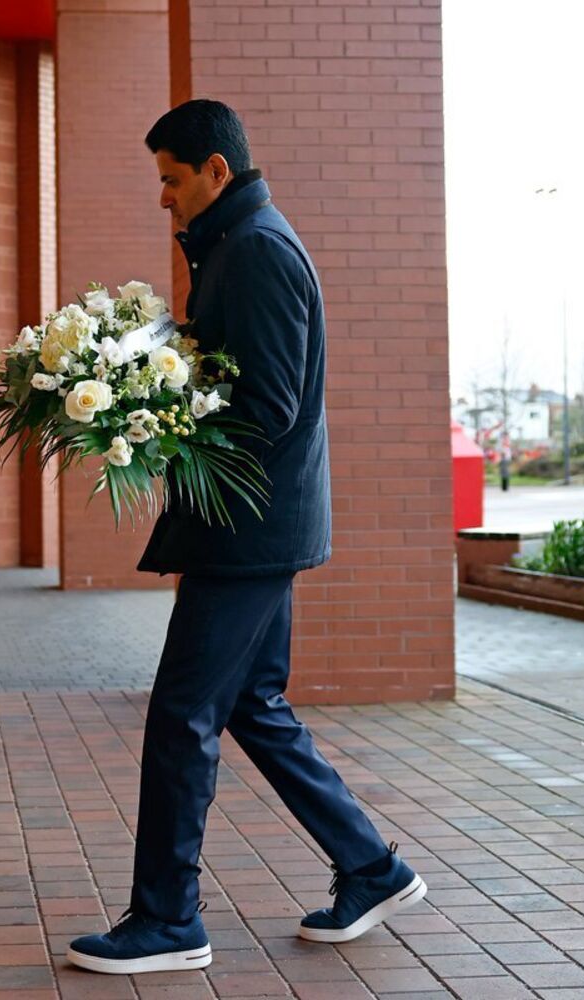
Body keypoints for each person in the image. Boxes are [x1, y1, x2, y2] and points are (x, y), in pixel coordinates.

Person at [66, 100, 427, 976]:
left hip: (250, 527)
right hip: (256, 522)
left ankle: (168, 920)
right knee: (253, 706)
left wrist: (155, 419)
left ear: (216, 171)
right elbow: (234, 375)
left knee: (182, 713)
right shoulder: (236, 243)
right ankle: (373, 869)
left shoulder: (257, 249)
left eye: (171, 179)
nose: (163, 196)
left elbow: (269, 407)